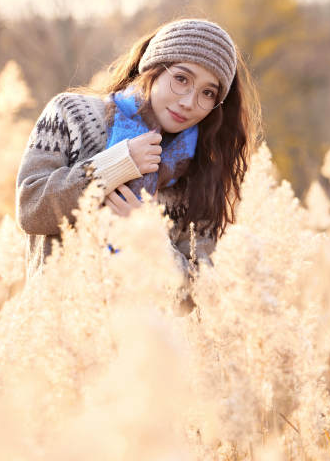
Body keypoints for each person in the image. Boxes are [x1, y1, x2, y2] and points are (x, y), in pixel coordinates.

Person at [16, 18, 261, 282]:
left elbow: (195, 293)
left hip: (139, 322)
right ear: (153, 68)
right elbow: (31, 210)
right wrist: (116, 164)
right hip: (57, 317)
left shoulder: (201, 170)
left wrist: (147, 234)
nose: (189, 102)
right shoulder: (72, 114)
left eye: (208, 93)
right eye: (181, 79)